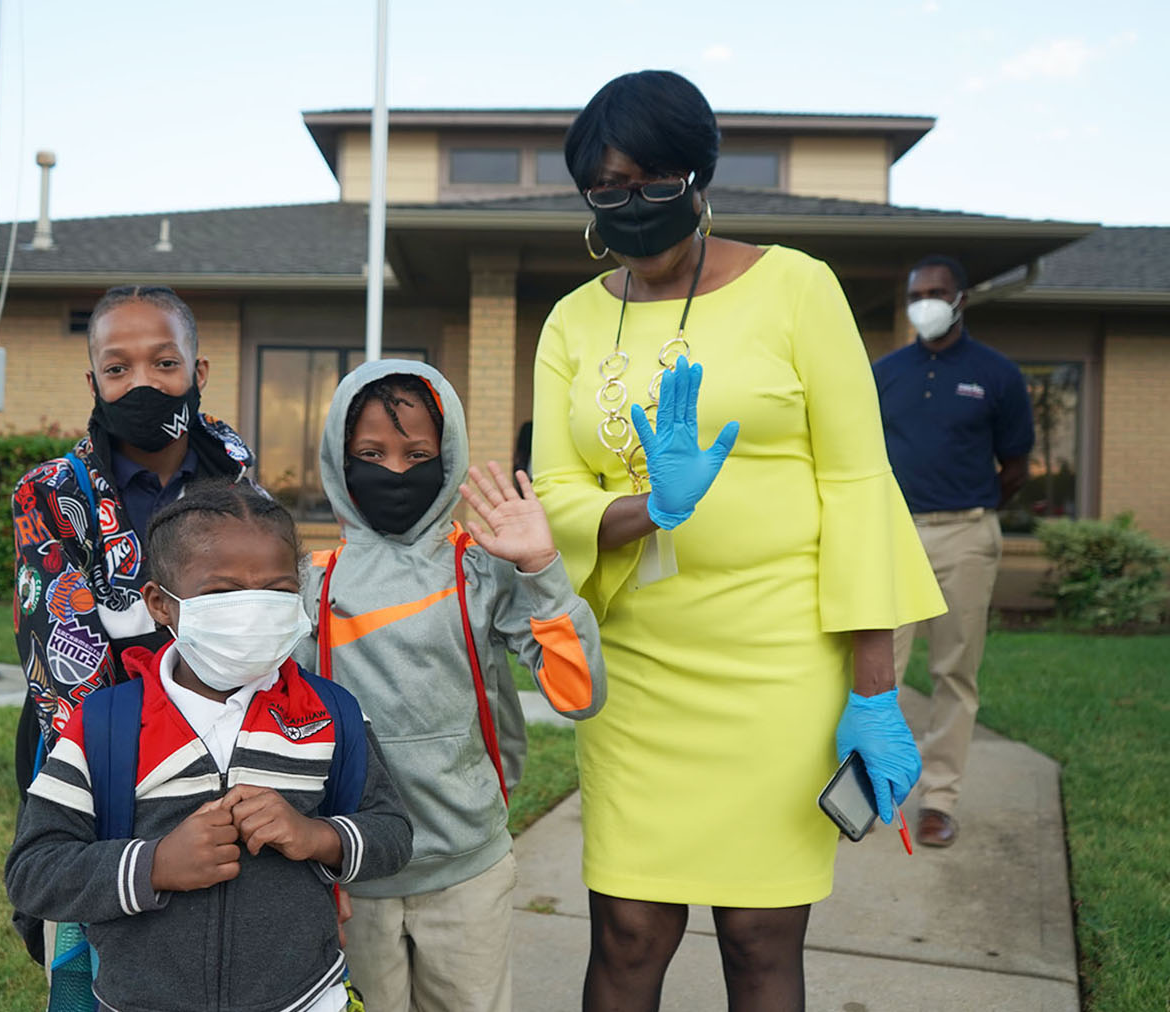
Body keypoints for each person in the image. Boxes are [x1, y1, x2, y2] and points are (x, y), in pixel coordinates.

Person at [530, 70, 945, 1011]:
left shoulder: (800, 288)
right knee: (628, 931)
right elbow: (554, 490)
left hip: (781, 664)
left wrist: (873, 688)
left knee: (760, 937)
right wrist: (649, 507)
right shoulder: (572, 319)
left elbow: (857, 484)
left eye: (653, 182)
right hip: (641, 670)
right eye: (608, 188)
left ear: (699, 175)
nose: (633, 205)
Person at [6, 480, 412, 1012]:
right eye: (221, 594)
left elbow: (392, 835)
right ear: (160, 604)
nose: (250, 612)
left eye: (275, 591)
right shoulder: (104, 726)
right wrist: (153, 865)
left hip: (305, 998)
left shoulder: (332, 716)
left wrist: (316, 835)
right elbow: (34, 872)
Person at [296, 359, 606, 1012]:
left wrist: (543, 569)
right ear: (338, 460)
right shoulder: (310, 584)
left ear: (450, 456)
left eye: (418, 453)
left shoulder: (481, 569)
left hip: (469, 873)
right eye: (372, 453)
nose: (397, 471)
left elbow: (578, 696)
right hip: (353, 873)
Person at [9, 284, 257, 964]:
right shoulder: (53, 494)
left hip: (229, 746)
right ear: (94, 382)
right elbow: (61, 663)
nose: (142, 383)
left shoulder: (238, 487)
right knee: (105, 939)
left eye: (165, 364)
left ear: (198, 373)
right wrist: (134, 778)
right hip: (99, 751)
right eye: (118, 369)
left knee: (214, 931)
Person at [873, 254, 1034, 848]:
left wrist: (972, 504)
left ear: (961, 298)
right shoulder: (886, 372)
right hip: (893, 532)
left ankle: (938, 798)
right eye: (917, 294)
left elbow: (1015, 466)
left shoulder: (996, 373)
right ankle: (870, 789)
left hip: (966, 533)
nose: (926, 303)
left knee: (953, 670)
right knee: (876, 666)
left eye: (937, 292)